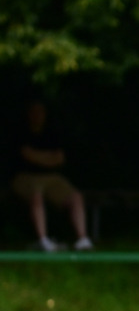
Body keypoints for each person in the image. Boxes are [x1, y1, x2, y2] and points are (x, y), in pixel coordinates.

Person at [11, 99, 93, 252]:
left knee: (76, 196)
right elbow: (28, 155)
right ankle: (43, 240)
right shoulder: (20, 132)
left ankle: (82, 239)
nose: (38, 115)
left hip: (52, 177)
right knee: (37, 196)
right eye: (34, 112)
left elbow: (59, 159)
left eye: (41, 112)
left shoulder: (52, 133)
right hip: (26, 176)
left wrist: (40, 157)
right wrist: (48, 157)